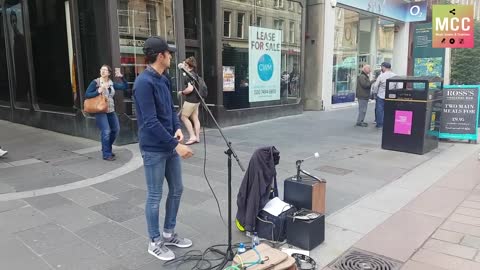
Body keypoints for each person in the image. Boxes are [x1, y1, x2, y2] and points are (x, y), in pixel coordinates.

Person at [133, 36, 194, 261]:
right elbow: (149, 121)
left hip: (169, 142)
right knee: (155, 195)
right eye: (169, 53)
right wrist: (176, 146)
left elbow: (169, 108)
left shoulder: (164, 78)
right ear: (160, 56)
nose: (171, 56)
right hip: (153, 148)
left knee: (177, 189)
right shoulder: (143, 83)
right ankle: (154, 241)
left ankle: (168, 233)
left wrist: (177, 127)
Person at [85, 65, 128, 161]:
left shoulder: (111, 83)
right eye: (101, 70)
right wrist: (98, 91)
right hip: (100, 110)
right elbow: (87, 95)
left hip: (110, 110)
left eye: (105, 70)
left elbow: (125, 86)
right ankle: (106, 154)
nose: (103, 71)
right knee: (106, 131)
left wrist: (121, 77)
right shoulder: (95, 82)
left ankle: (106, 148)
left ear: (109, 73)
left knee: (116, 130)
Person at [179, 57, 201, 145]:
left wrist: (182, 92)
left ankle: (192, 136)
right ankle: (197, 137)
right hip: (197, 100)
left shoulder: (188, 76)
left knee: (183, 117)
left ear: (190, 67)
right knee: (195, 117)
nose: (184, 66)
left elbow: (190, 88)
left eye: (185, 65)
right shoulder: (195, 74)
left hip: (190, 100)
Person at [371, 62, 397, 129]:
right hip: (391, 96)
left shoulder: (381, 76)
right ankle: (389, 124)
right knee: (390, 109)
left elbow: (376, 86)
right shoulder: (395, 75)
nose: (381, 68)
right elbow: (398, 86)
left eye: (381, 67)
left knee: (380, 110)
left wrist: (375, 93)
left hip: (381, 95)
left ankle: (380, 124)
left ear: (384, 67)